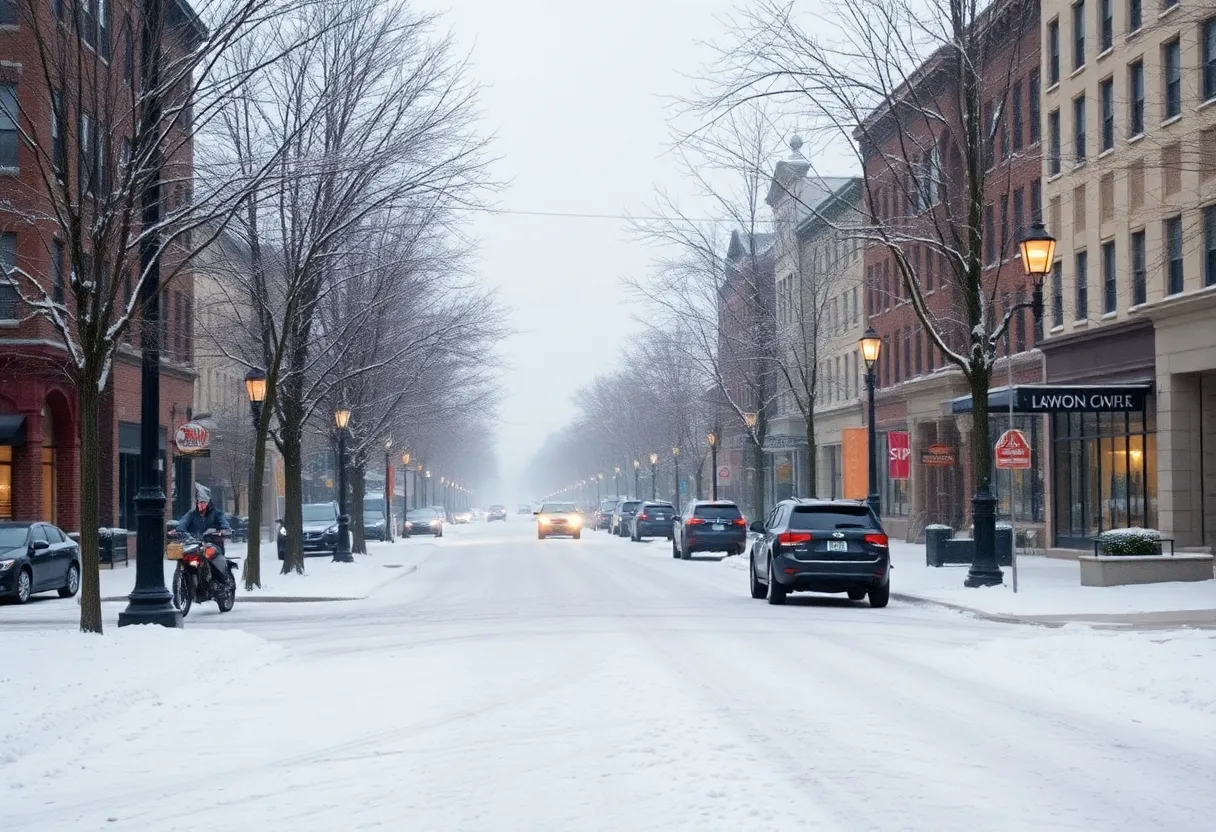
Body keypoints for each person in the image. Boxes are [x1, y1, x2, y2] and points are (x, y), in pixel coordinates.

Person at [175, 483, 232, 581]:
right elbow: (184, 522)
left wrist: (223, 530)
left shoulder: (216, 513)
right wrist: (179, 530)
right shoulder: (191, 514)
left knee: (217, 563)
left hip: (212, 543)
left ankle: (223, 581)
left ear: (208, 503)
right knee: (184, 558)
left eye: (203, 502)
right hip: (195, 544)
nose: (201, 505)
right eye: (199, 502)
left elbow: (223, 522)